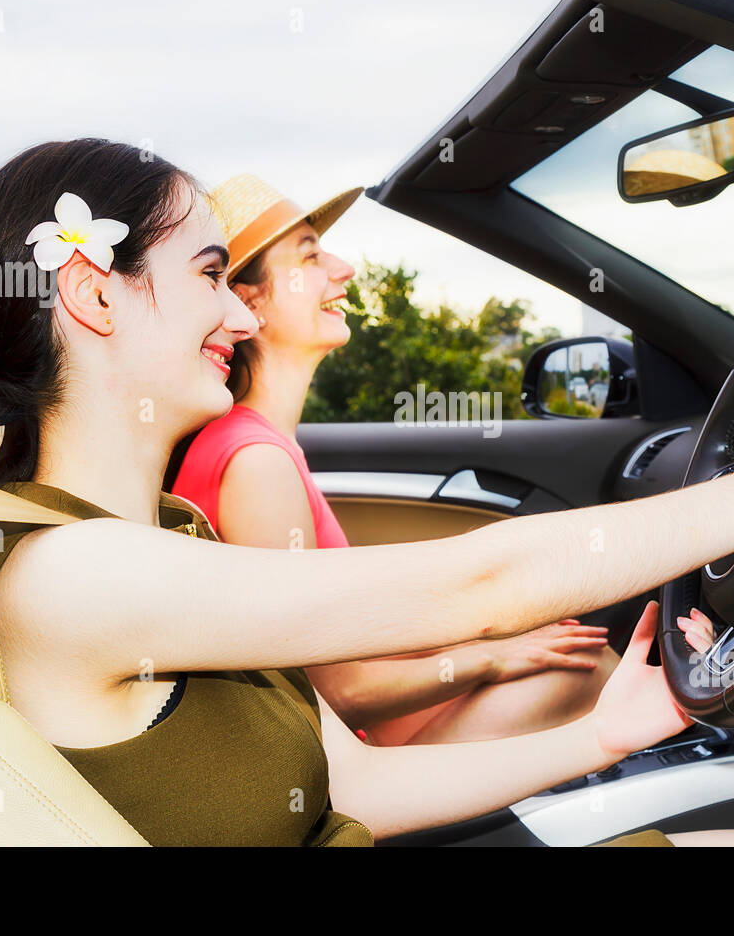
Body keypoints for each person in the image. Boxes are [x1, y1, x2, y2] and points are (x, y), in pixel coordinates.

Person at [0, 138, 734, 846]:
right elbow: (483, 580)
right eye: (213, 273)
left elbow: (351, 787)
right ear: (95, 292)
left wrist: (603, 734)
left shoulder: (165, 529)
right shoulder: (71, 575)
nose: (240, 309)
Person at [168, 174, 624, 747]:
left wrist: (483, 643)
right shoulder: (255, 461)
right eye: (310, 255)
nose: (343, 268)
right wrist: (490, 659)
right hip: (357, 763)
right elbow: (341, 694)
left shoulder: (254, 441)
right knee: (583, 672)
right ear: (250, 299)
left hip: (371, 730)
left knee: (574, 655)